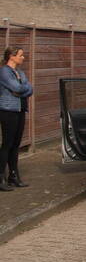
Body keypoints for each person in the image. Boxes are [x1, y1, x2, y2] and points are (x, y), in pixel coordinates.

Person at [0, 47, 32, 191]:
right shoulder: (4, 72)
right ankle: (1, 178)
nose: (23, 57)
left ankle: (14, 176)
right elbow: (17, 88)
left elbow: (29, 89)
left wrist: (21, 88)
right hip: (8, 110)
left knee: (16, 144)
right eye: (21, 55)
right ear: (12, 57)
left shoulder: (20, 72)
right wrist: (21, 88)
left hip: (20, 109)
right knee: (7, 143)